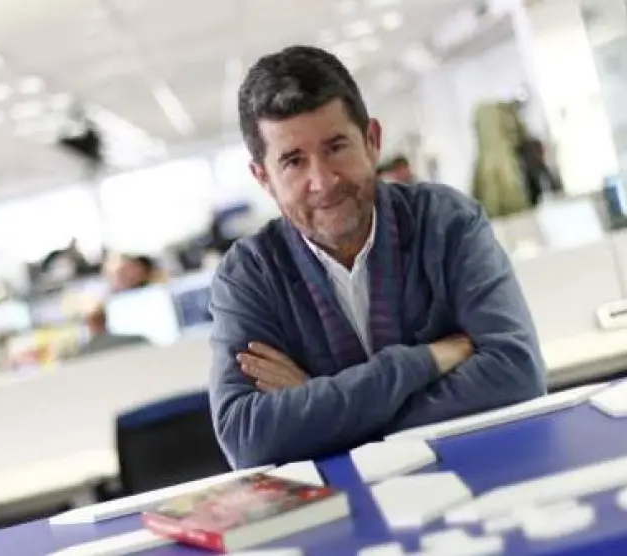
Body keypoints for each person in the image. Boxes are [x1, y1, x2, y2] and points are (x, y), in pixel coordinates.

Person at [209, 46, 545, 468]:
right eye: (293, 161)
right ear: (264, 178)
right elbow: (246, 438)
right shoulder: (249, 275)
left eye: (336, 147)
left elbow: (516, 374)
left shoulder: (447, 221)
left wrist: (318, 406)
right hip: (344, 503)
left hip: (475, 473)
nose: (323, 181)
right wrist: (423, 362)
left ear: (372, 141)